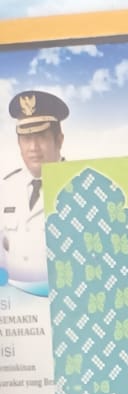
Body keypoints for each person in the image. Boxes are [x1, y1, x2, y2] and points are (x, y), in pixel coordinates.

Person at [1, 90, 68, 292]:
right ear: (18, 143)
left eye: (41, 136)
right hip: (16, 304)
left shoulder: (79, 187)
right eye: (26, 138)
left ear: (59, 140)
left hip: (61, 301)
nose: (33, 147)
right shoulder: (6, 188)